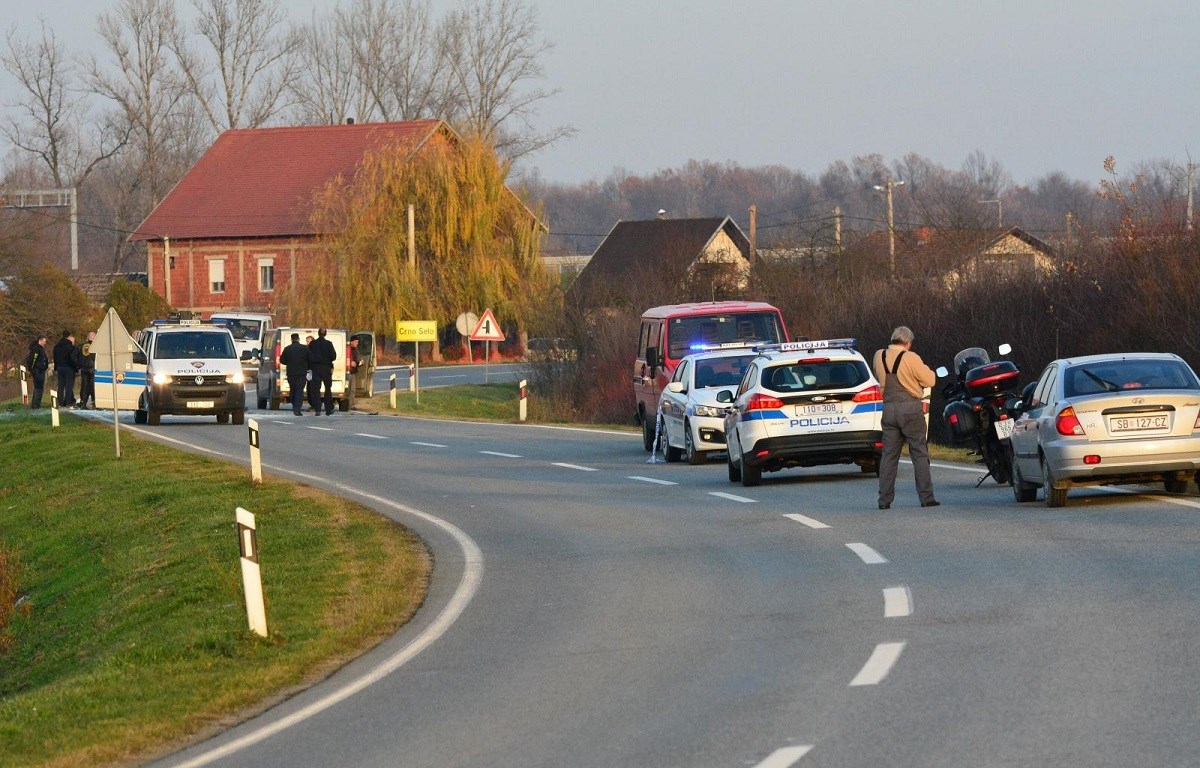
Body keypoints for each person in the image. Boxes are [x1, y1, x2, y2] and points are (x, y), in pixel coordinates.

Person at [872, 325, 939, 509]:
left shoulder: (879, 355)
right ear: (908, 343)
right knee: (918, 453)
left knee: (888, 456)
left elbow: (878, 375)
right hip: (910, 409)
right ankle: (927, 498)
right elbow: (930, 380)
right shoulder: (911, 357)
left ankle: (884, 500)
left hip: (889, 409)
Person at [308, 328, 337, 415]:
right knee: (328, 389)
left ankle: (317, 409)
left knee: (315, 389)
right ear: (325, 334)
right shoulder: (328, 344)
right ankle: (328, 409)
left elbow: (308, 356)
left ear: (318, 333)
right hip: (326, 368)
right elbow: (333, 356)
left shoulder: (312, 344)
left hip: (315, 368)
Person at [279, 333, 309, 415]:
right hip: (302, 372)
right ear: (298, 339)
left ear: (291, 339)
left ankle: (294, 405)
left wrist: (289, 362)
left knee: (293, 389)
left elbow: (282, 360)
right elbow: (310, 359)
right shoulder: (305, 348)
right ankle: (297, 408)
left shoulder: (287, 349)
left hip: (291, 372)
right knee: (299, 390)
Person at [52, 330, 78, 407]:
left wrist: (56, 367)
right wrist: (76, 368)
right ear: (69, 336)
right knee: (68, 386)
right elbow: (73, 359)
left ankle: (60, 402)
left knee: (60, 386)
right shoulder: (71, 347)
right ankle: (68, 402)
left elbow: (55, 358)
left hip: (60, 368)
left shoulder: (56, 346)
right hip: (69, 368)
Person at [25, 335, 49, 409]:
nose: (45, 343)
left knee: (39, 388)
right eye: (44, 341)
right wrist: (32, 370)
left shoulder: (40, 349)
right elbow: (32, 360)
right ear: (40, 340)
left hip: (40, 371)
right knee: (38, 389)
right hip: (37, 371)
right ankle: (35, 406)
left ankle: (36, 405)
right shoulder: (36, 349)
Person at [75, 331, 97, 409]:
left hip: (84, 368)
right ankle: (94, 403)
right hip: (93, 368)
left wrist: (78, 365)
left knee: (84, 386)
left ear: (88, 337)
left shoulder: (81, 345)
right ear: (94, 338)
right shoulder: (96, 346)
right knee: (93, 387)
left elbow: (73, 355)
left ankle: (83, 403)